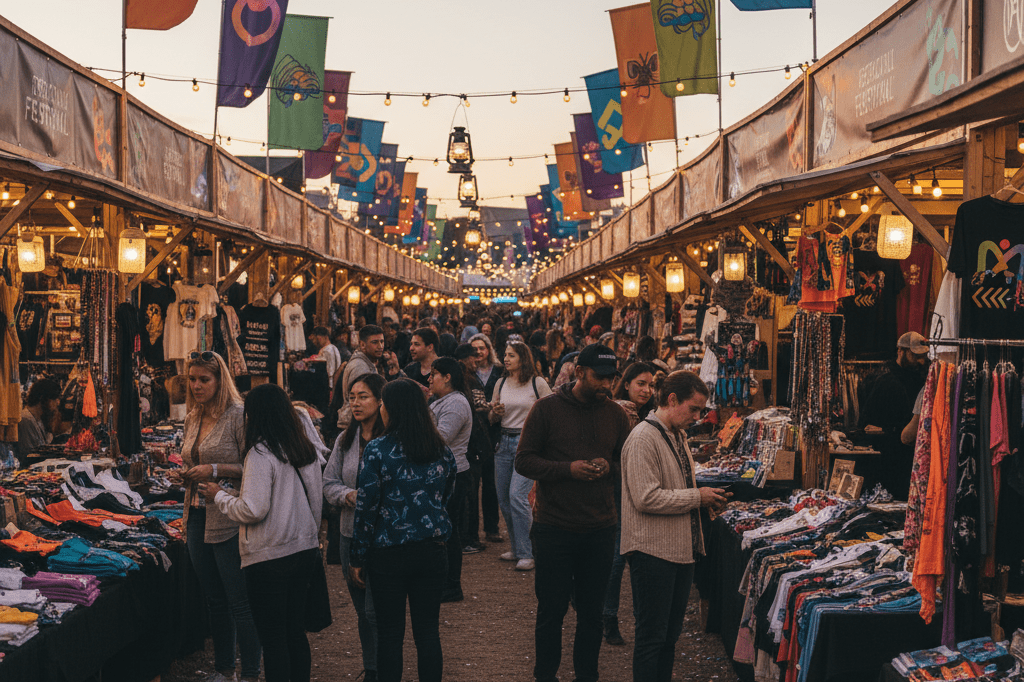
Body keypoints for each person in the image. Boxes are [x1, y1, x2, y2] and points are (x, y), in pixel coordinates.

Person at [515, 344, 631, 682]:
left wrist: (607, 466)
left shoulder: (615, 414)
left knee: (592, 615)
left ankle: (587, 675)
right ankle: (545, 675)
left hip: (600, 527)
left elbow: (625, 461)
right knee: (551, 611)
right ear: (579, 372)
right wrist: (569, 469)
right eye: (599, 378)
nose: (606, 386)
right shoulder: (546, 409)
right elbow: (524, 460)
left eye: (611, 379)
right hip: (555, 528)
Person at [199, 384, 322, 682]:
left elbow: (253, 509)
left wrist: (219, 495)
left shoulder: (260, 453)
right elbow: (317, 500)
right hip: (304, 549)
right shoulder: (305, 449)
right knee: (294, 632)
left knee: (274, 638)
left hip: (270, 558)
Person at [621, 371, 729, 682]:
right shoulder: (643, 438)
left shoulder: (676, 435)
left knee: (668, 638)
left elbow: (677, 485)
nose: (697, 417)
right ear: (672, 400)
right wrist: (698, 497)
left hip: (679, 551)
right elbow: (646, 498)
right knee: (652, 638)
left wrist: (705, 500)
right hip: (652, 551)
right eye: (693, 409)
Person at [350, 379, 457, 682]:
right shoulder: (440, 449)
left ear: (392, 409)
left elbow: (366, 507)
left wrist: (357, 557)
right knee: (428, 633)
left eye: (383, 403)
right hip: (431, 549)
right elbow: (448, 494)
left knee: (390, 634)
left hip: (388, 553)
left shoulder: (377, 450)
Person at [180, 351, 261, 682]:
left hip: (229, 515)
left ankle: (251, 672)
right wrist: (185, 474)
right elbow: (192, 459)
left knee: (239, 600)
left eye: (204, 379)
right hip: (196, 513)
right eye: (192, 379)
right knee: (214, 598)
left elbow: (256, 467)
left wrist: (214, 469)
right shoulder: (192, 417)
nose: (197, 386)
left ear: (219, 381)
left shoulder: (238, 416)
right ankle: (224, 669)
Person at [323, 373, 387, 682]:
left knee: (377, 611)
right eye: (352, 397)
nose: (356, 403)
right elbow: (328, 481)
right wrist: (347, 495)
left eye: (363, 396)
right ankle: (372, 666)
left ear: (379, 400)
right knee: (363, 611)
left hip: (385, 536)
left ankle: (384, 668)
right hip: (350, 533)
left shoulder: (392, 439)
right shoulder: (345, 439)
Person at [603, 361, 657, 645]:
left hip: (635, 490)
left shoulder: (644, 414)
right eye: (641, 384)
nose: (647, 390)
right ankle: (608, 616)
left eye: (651, 385)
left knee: (624, 555)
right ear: (626, 384)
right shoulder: (622, 412)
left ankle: (614, 616)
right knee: (618, 555)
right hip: (621, 490)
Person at [489, 342, 551, 571]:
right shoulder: (501, 382)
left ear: (522, 358)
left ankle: (529, 552)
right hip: (503, 442)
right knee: (504, 498)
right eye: (505, 355)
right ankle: (517, 547)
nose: (506, 359)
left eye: (511, 355)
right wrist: (494, 413)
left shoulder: (538, 383)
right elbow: (491, 417)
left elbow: (551, 411)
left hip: (527, 443)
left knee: (517, 495)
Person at [860, 331, 930, 499]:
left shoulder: (922, 379)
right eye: (915, 356)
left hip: (912, 457)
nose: (920, 361)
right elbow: (867, 424)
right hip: (890, 460)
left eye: (922, 356)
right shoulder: (885, 381)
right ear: (901, 351)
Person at [428, 357, 474, 601]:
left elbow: (441, 437)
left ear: (447, 377)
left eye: (434, 373)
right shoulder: (442, 401)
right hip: (444, 472)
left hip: (453, 473)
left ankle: (451, 585)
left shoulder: (455, 403)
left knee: (450, 530)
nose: (430, 378)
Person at [454, 343, 491, 553]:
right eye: (472, 357)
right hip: (472, 443)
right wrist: (489, 408)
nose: (476, 360)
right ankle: (469, 538)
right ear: (464, 360)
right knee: (470, 492)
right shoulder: (468, 380)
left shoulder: (464, 379)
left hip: (469, 443)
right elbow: (479, 408)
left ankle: (469, 537)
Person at [17, 378, 61, 467]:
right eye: (54, 399)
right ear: (42, 398)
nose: (58, 402)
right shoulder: (25, 420)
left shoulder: (39, 420)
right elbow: (30, 456)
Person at [310, 326, 343, 392]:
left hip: (329, 385)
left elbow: (328, 371)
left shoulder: (327, 350)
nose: (314, 342)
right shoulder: (332, 348)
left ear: (325, 337)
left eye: (317, 339)